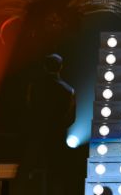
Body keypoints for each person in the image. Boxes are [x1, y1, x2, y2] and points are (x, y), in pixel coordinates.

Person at [20, 53, 76, 195]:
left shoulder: (33, 86)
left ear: (44, 67)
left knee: (27, 172)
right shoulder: (69, 90)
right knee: (55, 174)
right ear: (61, 67)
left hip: (35, 136)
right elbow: (70, 118)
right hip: (57, 137)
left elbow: (28, 109)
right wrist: (57, 128)